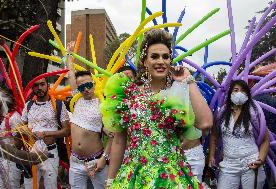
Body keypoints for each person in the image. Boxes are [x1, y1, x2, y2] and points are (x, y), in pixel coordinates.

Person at [101, 28, 213, 188]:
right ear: (144, 61)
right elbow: (119, 141)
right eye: (154, 56)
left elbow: (206, 123)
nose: (161, 61)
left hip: (170, 177)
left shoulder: (178, 91)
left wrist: (188, 80)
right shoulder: (128, 93)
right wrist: (110, 181)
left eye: (165, 57)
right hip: (135, 177)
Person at [209, 80, 270, 189]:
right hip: (228, 164)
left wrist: (260, 159)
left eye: (243, 91)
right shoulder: (222, 114)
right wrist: (211, 156)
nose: (239, 93)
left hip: (251, 163)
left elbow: (266, 139)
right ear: (230, 94)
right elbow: (214, 135)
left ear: (247, 94)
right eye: (236, 90)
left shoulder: (254, 114)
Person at [66, 57, 113, 189]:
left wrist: (104, 158)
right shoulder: (76, 100)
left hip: (96, 161)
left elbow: (112, 135)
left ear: (93, 83)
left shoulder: (102, 104)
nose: (86, 89)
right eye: (81, 87)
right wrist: (69, 56)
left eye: (88, 85)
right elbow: (70, 74)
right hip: (75, 163)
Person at [21, 76, 70, 189]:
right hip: (31, 153)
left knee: (50, 186)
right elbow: (20, 127)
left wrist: (46, 134)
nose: (39, 88)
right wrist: (26, 131)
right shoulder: (28, 105)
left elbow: (67, 131)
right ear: (33, 89)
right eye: (36, 85)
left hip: (50, 153)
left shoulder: (57, 104)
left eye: (42, 84)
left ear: (48, 86)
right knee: (30, 186)